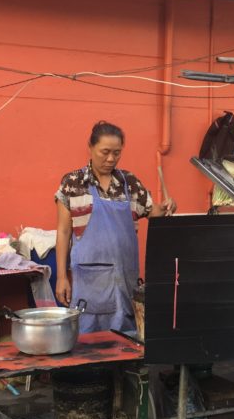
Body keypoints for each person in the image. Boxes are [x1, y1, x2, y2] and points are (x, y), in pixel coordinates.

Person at [54, 121, 175, 333]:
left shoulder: (129, 183)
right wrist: (62, 277)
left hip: (124, 278)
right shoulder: (73, 183)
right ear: (90, 147)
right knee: (89, 341)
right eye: (105, 152)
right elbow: (64, 232)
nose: (111, 159)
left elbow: (154, 212)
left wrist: (168, 206)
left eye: (117, 153)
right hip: (90, 281)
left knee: (126, 338)